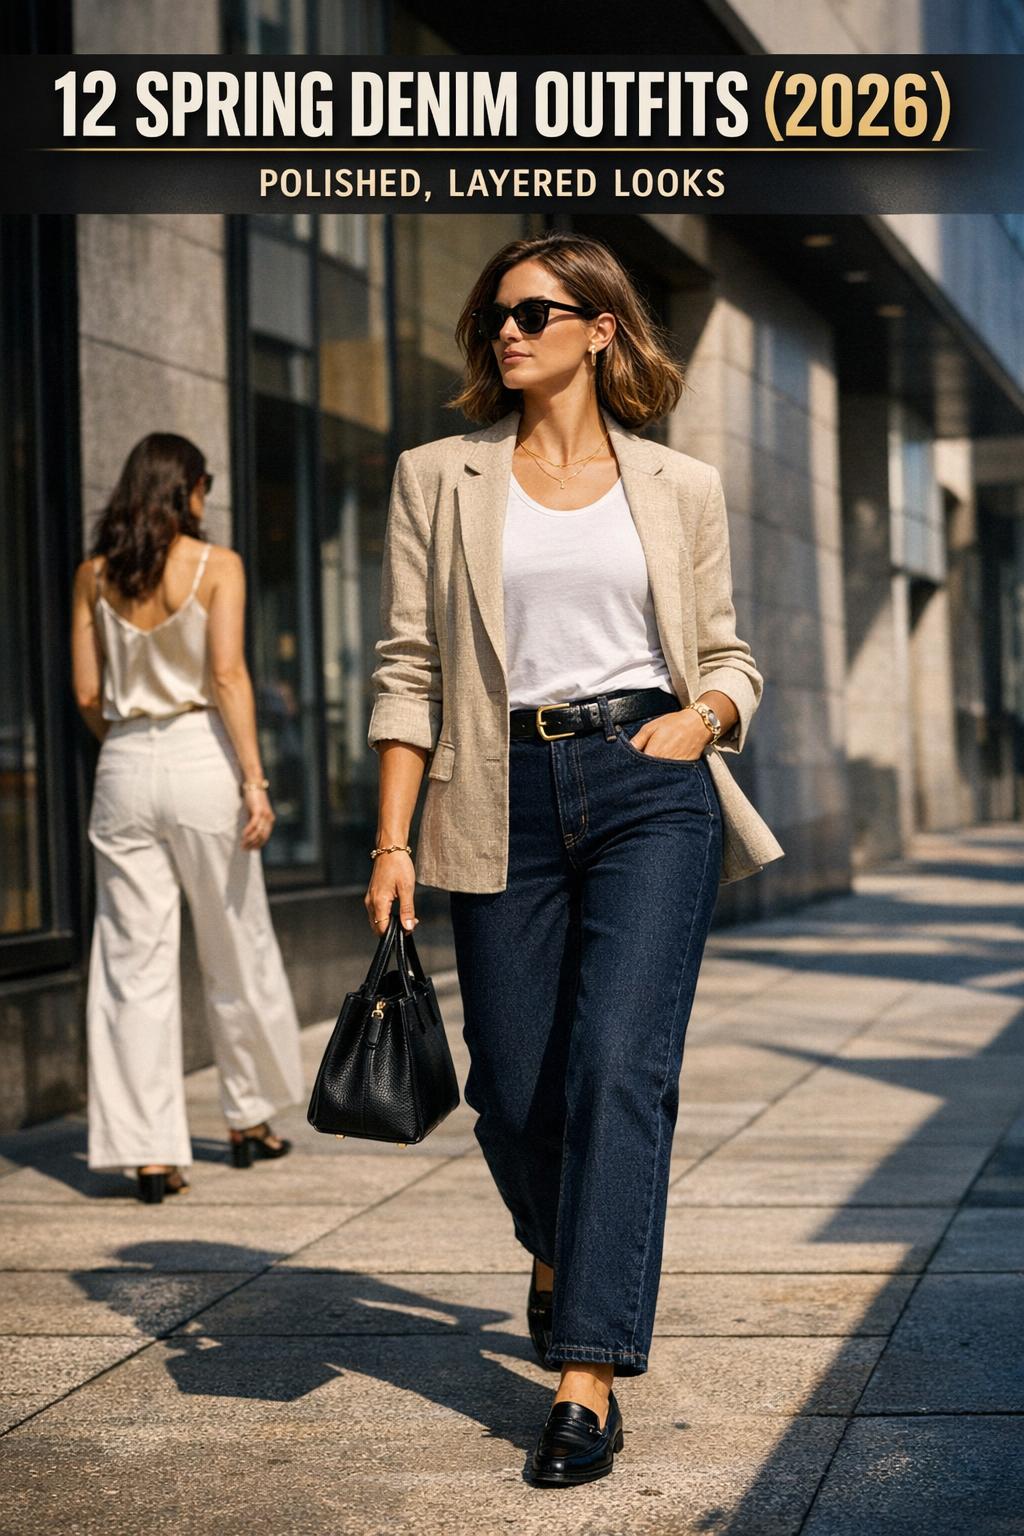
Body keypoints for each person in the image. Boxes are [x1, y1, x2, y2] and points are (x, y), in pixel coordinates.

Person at [363, 233, 783, 1487]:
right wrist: (391, 842)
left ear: (601, 328)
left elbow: (726, 654)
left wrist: (702, 719)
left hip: (648, 786)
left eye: (536, 313)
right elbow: (408, 673)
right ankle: (556, 1245)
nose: (508, 332)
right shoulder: (438, 476)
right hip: (497, 796)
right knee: (516, 1090)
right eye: (495, 315)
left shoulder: (676, 485)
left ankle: (586, 1374)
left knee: (616, 1071)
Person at [71, 432, 306, 1204]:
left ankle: (147, 1153)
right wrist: (255, 780)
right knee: (235, 943)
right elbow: (229, 675)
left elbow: (85, 697)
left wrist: (132, 743)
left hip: (125, 765)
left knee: (132, 966)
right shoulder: (218, 566)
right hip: (203, 758)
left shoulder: (94, 576)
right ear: (188, 489)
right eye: (205, 485)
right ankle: (248, 1120)